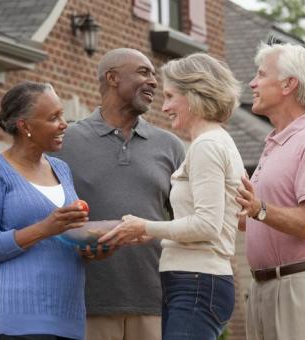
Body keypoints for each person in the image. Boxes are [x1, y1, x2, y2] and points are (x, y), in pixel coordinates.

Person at [0, 48, 185, 340]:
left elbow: (187, 218)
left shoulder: (169, 146)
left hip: (148, 301)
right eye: (144, 72)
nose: (154, 82)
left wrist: (94, 249)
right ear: (113, 78)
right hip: (86, 307)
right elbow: (13, 167)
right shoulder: (64, 141)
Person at [98, 53, 245, 339]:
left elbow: (206, 225)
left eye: (170, 96)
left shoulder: (207, 146)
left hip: (197, 283)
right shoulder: (213, 143)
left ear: (194, 95)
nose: (163, 107)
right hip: (195, 282)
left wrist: (146, 227)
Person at [235, 43, 305, 340]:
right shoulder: (274, 144)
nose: (252, 83)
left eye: (261, 74)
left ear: (288, 84)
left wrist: (259, 208)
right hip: (262, 288)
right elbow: (257, 217)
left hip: (301, 287)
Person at [0, 81, 91, 340]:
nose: (64, 123)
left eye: (62, 114)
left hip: (69, 316)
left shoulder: (61, 169)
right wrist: (44, 228)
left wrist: (92, 247)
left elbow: (66, 238)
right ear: (25, 126)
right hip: (22, 319)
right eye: (53, 117)